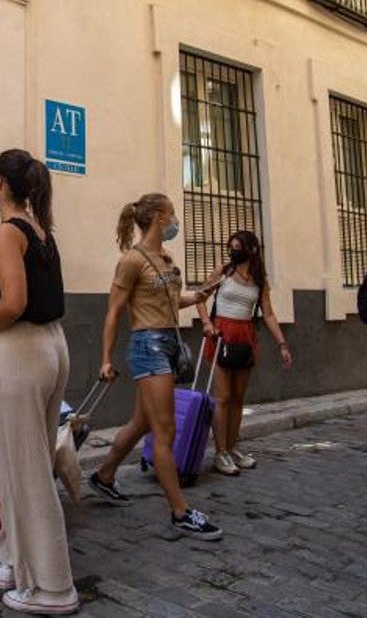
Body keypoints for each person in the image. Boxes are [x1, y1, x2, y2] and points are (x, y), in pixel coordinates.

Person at [0, 149, 76, 615]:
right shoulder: (40, 229)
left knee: (25, 470)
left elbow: (13, 302)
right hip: (53, 346)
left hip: (21, 351)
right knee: (30, 461)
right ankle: (12, 556)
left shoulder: (6, 232)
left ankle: (52, 587)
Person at [86, 193, 223, 540]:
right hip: (148, 347)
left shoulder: (166, 258)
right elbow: (113, 312)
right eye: (172, 214)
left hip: (169, 343)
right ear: (159, 217)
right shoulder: (132, 260)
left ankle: (104, 476)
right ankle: (180, 512)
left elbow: (173, 301)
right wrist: (105, 359)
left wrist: (200, 295)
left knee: (142, 422)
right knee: (166, 431)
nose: (176, 220)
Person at [197, 230, 292, 476]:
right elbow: (200, 298)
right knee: (223, 397)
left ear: (252, 249)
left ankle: (231, 447)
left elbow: (268, 313)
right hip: (221, 335)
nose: (233, 251)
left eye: (238, 247)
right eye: (231, 247)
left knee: (238, 397)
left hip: (245, 337)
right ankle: (220, 453)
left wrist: (282, 344)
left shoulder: (259, 279)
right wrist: (207, 323)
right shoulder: (224, 271)